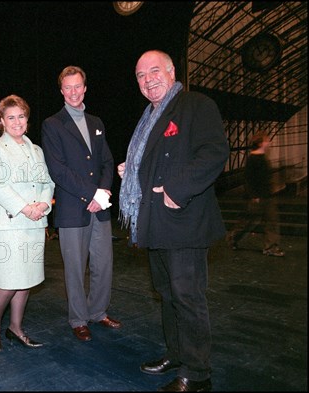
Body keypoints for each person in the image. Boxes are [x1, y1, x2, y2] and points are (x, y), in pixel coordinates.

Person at [117, 50, 229, 392]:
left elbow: (214, 152)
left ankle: (197, 374)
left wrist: (176, 191)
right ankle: (177, 354)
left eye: (154, 71)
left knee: (187, 296)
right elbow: (153, 160)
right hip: (155, 224)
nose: (148, 79)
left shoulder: (196, 105)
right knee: (166, 294)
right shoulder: (148, 116)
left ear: (171, 72)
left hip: (183, 219)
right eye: (140, 75)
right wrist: (131, 170)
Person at [41, 65, 121, 343]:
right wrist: (93, 195)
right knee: (74, 267)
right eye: (68, 87)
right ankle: (78, 318)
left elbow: (107, 162)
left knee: (104, 264)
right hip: (73, 209)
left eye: (78, 86)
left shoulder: (97, 122)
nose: (74, 92)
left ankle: (98, 311)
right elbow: (58, 170)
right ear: (61, 91)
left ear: (85, 88)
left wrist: (104, 192)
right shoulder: (52, 124)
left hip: (99, 209)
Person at [0, 94, 55, 352]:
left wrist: (43, 205)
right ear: (2, 121)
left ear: (27, 119)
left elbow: (48, 182)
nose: (17, 121)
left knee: (28, 279)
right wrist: (25, 208)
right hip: (7, 222)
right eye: (10, 117)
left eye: (21, 116)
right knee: (9, 280)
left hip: (34, 221)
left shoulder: (36, 150)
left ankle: (16, 328)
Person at [226, 132, 285, 257]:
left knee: (272, 221)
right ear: (260, 143)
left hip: (266, 196)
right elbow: (248, 179)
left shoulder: (263, 157)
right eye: (266, 140)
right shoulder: (253, 158)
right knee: (249, 221)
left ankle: (270, 247)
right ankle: (233, 237)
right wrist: (254, 196)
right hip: (257, 197)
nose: (268, 142)